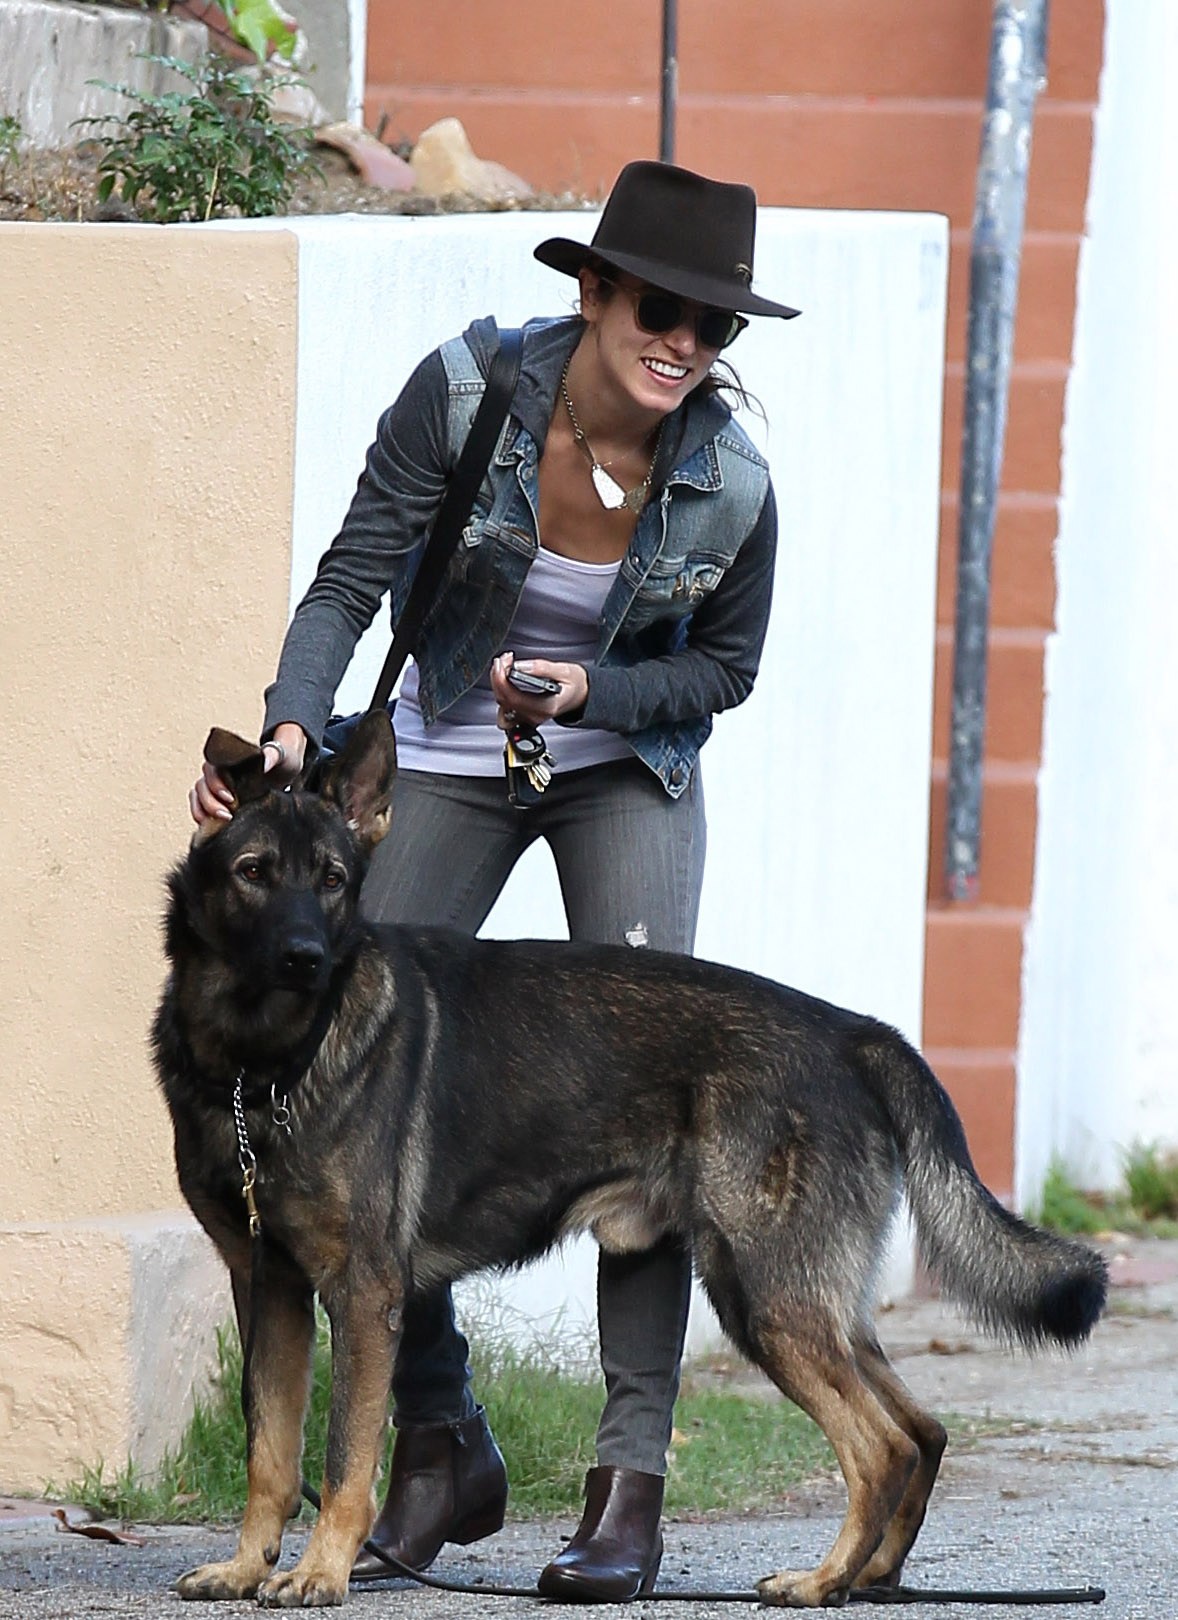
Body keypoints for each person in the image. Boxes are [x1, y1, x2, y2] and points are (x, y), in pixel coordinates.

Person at [190, 159, 799, 1601]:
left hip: (621, 770)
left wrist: (591, 689)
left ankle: (626, 1485)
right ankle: (441, 1442)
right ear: (589, 293)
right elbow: (353, 577)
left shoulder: (732, 481)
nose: (683, 346)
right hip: (435, 758)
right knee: (360, 1090)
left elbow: (725, 670)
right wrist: (292, 720)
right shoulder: (464, 398)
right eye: (660, 309)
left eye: (714, 330)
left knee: (654, 1114)